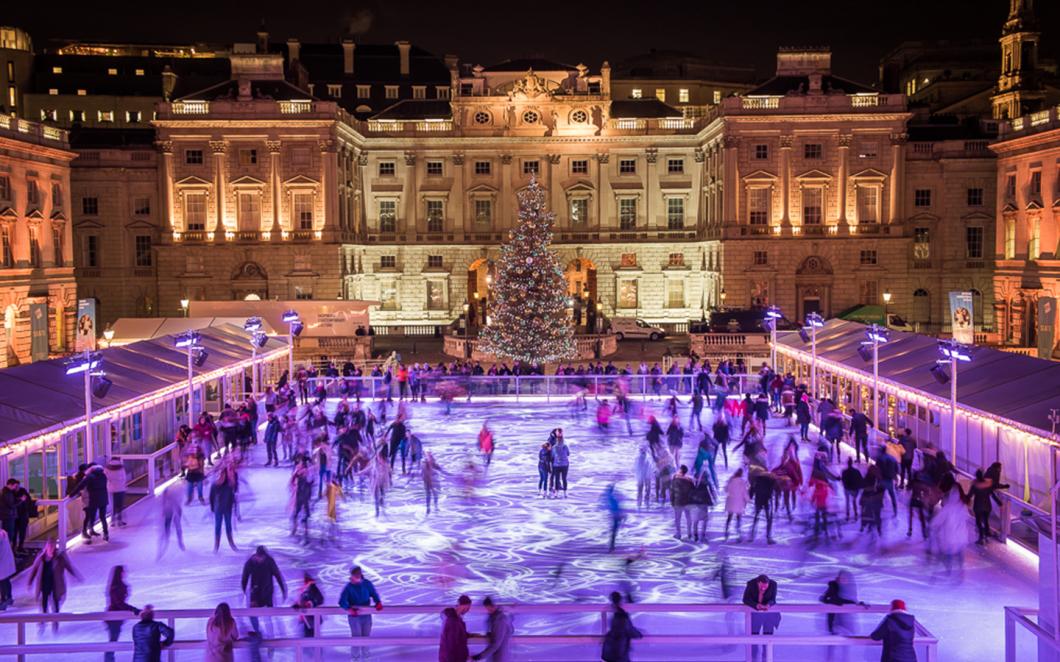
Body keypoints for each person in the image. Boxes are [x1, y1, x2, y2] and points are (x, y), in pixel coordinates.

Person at [27, 538, 81, 624]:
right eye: (49, 546)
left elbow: (68, 566)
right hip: (44, 585)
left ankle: (55, 621)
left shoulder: (59, 557)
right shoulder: (41, 557)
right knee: (44, 604)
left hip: (55, 584)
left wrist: (76, 575)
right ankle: (43, 621)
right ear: (46, 547)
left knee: (55, 604)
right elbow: (34, 570)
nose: (51, 548)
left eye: (52, 546)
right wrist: (30, 582)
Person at [338, 566, 383, 661]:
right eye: (354, 575)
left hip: (366, 615)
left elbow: (374, 594)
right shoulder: (349, 587)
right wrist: (349, 609)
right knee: (356, 637)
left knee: (366, 637)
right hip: (354, 617)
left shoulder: (367, 584)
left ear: (360, 574)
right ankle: (355, 658)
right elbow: (342, 601)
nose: (356, 576)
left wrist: (378, 602)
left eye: (357, 574)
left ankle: (366, 658)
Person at [241, 545, 287, 636]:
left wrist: (283, 590)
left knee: (267, 616)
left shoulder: (269, 561)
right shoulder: (250, 563)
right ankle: (258, 632)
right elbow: (244, 578)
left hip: (267, 593)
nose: (261, 559)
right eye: (260, 557)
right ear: (256, 555)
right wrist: (244, 591)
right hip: (255, 593)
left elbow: (278, 576)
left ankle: (271, 638)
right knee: (253, 614)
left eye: (263, 557)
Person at [105, 565, 139, 662]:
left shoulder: (118, 585)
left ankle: (109, 659)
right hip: (113, 617)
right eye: (123, 572)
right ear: (119, 573)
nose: (125, 573)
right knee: (113, 639)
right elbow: (119, 603)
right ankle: (109, 659)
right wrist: (133, 609)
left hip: (115, 617)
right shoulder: (116, 587)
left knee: (113, 639)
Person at [742, 575, 780, 662]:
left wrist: (768, 605)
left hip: (769, 616)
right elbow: (745, 599)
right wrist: (756, 605)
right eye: (761, 586)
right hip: (755, 615)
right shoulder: (751, 584)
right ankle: (753, 659)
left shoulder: (773, 584)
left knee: (767, 639)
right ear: (757, 583)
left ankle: (766, 659)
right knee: (754, 639)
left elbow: (773, 599)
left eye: (765, 587)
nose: (763, 589)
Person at [71, 462, 109, 543]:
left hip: (94, 499)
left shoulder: (90, 477)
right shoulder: (103, 475)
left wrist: (71, 494)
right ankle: (106, 533)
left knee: (91, 516)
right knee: (102, 517)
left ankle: (88, 531)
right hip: (104, 499)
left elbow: (80, 486)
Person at [601, 591, 642, 662]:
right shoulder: (622, 615)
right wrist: (639, 635)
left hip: (610, 651)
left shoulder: (612, 612)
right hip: (619, 652)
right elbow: (630, 630)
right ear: (621, 601)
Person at [472, 596, 513, 662]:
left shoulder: (500, 620)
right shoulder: (495, 618)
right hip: (497, 656)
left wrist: (479, 656)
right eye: (487, 608)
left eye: (489, 607)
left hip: (499, 657)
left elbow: (496, 643)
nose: (488, 610)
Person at [209, 464, 238, 552]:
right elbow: (211, 497)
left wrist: (234, 507)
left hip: (227, 509)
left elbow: (233, 495)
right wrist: (212, 508)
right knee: (218, 526)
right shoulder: (214, 485)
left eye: (223, 474)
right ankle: (216, 545)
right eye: (220, 475)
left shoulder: (229, 485)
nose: (221, 477)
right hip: (218, 509)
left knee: (228, 526)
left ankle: (231, 543)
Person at [439, 595, 471, 662]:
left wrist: (472, 635)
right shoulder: (452, 621)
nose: (468, 611)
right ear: (463, 605)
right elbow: (450, 646)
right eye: (468, 608)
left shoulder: (457, 619)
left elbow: (459, 636)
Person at [294, 572, 324, 638]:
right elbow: (301, 601)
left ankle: (315, 647)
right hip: (306, 619)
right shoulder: (303, 590)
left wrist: (311, 603)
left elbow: (320, 599)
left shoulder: (313, 589)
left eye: (305, 580)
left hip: (312, 619)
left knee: (313, 639)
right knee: (307, 638)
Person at [968, 469, 994, 545]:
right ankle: (986, 534)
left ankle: (981, 537)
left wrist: (964, 500)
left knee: (978, 522)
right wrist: (1000, 503)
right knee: (986, 520)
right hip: (987, 506)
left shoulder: (975, 485)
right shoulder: (988, 484)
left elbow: (970, 495)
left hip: (978, 506)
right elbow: (992, 494)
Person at [724, 468, 749, 541]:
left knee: (729, 517)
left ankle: (726, 531)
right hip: (739, 502)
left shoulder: (731, 480)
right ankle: (738, 534)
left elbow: (726, 490)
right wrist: (748, 500)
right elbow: (744, 492)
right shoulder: (742, 482)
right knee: (738, 518)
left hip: (731, 501)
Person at [671, 465, 695, 539]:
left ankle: (678, 534)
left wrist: (672, 501)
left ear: (680, 470)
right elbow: (693, 491)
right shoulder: (690, 480)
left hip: (678, 501)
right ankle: (689, 533)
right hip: (688, 502)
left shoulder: (675, 479)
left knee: (677, 519)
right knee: (689, 518)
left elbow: (672, 491)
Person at [104, 457, 128, 527]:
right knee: (120, 505)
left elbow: (106, 478)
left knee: (112, 505)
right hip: (121, 489)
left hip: (111, 489)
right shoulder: (121, 468)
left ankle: (112, 521)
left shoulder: (107, 469)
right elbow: (124, 478)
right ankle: (120, 521)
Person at [0, 529, 13, 610]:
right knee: (5, 580)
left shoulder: (1, 536)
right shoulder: (4, 534)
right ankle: (8, 597)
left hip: (3, 562)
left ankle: (4, 600)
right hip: (5, 562)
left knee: (3, 581)